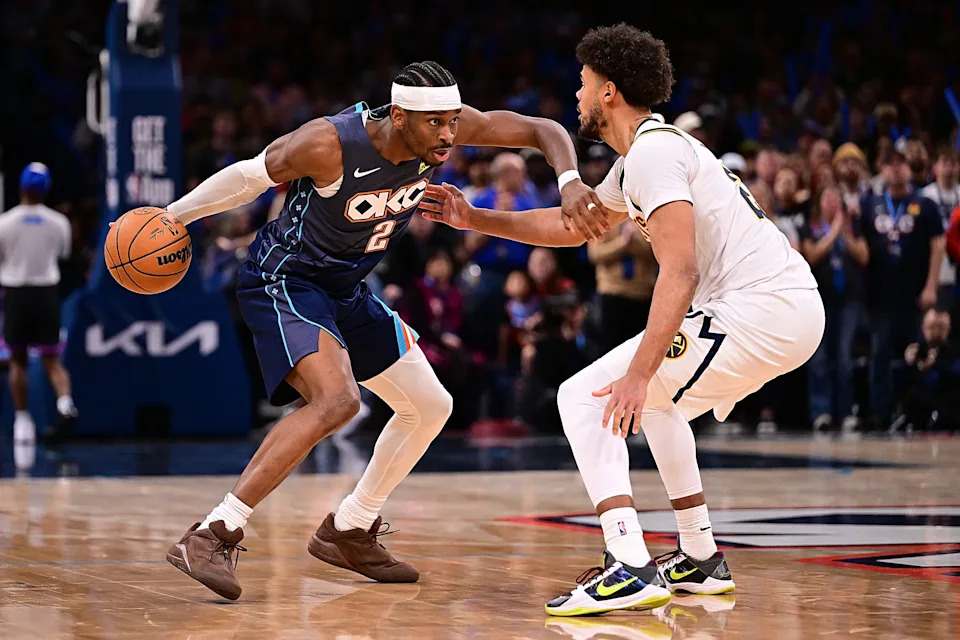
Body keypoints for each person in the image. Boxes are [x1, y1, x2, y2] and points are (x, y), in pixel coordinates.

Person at [160, 61, 603, 601]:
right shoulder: (328, 144)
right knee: (338, 401)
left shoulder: (446, 127)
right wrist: (173, 216)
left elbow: (543, 130)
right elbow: (250, 176)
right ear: (399, 116)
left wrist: (570, 180)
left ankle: (350, 528)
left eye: (452, 123)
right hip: (287, 279)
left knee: (430, 405)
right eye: (435, 125)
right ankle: (213, 532)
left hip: (347, 288)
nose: (448, 137)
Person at [421, 25, 822, 616]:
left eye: (583, 84)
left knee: (586, 397)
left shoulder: (656, 155)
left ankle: (629, 563)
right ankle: (701, 556)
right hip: (777, 308)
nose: (577, 94)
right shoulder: (642, 159)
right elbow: (571, 226)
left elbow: (678, 273)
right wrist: (474, 218)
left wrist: (639, 370)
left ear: (609, 91)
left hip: (762, 307)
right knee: (657, 405)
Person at [860, 148, 944, 427]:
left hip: (914, 294)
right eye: (890, 164)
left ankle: (915, 412)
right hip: (879, 295)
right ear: (881, 170)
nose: (896, 169)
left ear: (910, 169)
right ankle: (880, 414)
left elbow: (937, 245)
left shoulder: (924, 204)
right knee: (879, 355)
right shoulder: (869, 204)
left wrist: (932, 285)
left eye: (901, 164)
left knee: (916, 353)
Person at [0, 163, 77, 447]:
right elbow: (63, 254)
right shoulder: (58, 222)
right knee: (52, 360)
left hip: (17, 294)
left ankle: (22, 421)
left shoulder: (5, 223)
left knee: (17, 360)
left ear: (20, 187)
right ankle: (65, 403)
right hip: (46, 293)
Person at [799, 186, 869, 431]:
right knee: (819, 358)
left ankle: (846, 410)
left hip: (848, 300)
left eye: (835, 198)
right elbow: (812, 255)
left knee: (844, 356)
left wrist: (844, 233)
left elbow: (863, 256)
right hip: (819, 300)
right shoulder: (811, 227)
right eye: (827, 197)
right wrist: (833, 232)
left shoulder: (853, 226)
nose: (831, 202)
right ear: (820, 203)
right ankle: (821, 411)